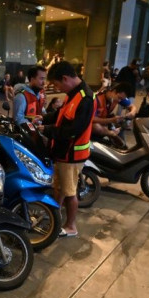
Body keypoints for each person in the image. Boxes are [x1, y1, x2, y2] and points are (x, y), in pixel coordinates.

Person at [43, 61, 95, 238]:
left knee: (69, 192)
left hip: (72, 155)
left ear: (65, 78)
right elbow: (60, 115)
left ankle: (70, 226)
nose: (58, 88)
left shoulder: (85, 98)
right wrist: (42, 119)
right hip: (62, 152)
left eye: (57, 84)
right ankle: (54, 216)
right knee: (59, 188)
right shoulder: (72, 94)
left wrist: (48, 130)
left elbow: (74, 130)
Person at [93, 82, 137, 148]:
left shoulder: (118, 97)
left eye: (122, 99)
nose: (120, 101)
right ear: (113, 91)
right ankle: (112, 134)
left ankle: (122, 147)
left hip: (105, 123)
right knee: (96, 127)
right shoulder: (96, 99)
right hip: (93, 124)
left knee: (120, 128)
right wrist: (111, 121)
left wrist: (132, 113)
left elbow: (133, 107)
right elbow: (92, 119)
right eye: (119, 98)